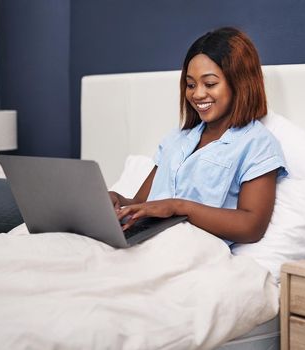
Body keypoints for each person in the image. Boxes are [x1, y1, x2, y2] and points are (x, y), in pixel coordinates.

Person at [110, 27, 287, 244]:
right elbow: (141, 204)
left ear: (239, 83)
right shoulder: (177, 139)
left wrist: (179, 206)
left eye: (210, 84)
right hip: (147, 242)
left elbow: (251, 227)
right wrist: (117, 201)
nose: (197, 94)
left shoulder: (256, 143)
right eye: (191, 84)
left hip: (194, 250)